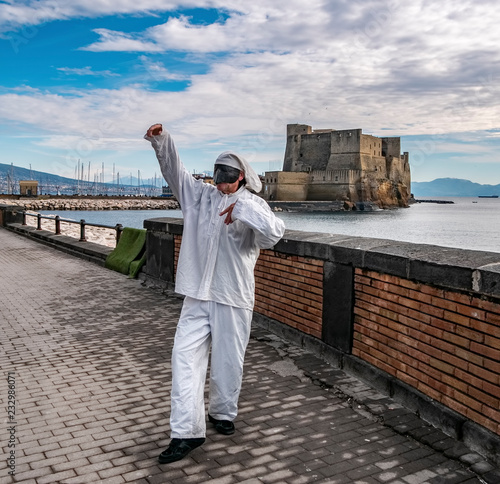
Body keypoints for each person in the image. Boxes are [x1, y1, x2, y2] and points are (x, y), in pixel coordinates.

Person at [144, 124, 285, 464]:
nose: (220, 181)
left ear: (240, 177)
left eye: (226, 176)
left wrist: (244, 212)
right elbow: (174, 171)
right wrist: (162, 141)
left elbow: (275, 234)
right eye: (216, 174)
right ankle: (186, 433)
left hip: (233, 296)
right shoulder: (200, 197)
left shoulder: (254, 204)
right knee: (184, 360)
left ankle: (223, 412)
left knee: (228, 360)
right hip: (196, 295)